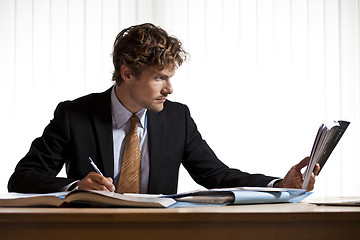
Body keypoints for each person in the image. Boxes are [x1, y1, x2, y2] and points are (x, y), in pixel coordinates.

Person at [8, 23, 319, 194]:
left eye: (170, 77)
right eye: (160, 78)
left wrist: (277, 184)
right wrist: (76, 185)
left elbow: (216, 175)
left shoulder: (177, 117)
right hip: (92, 232)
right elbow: (22, 177)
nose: (169, 89)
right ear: (127, 73)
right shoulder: (74, 115)